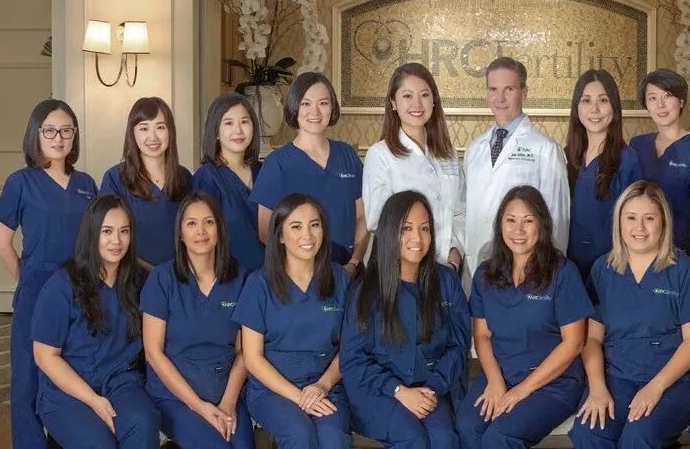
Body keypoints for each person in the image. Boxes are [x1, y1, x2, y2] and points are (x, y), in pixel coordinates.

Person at [568, 181, 690, 448]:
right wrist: (597, 388)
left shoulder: (683, 270)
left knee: (639, 435)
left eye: (649, 218)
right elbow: (592, 339)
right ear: (619, 221)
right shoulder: (603, 269)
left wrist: (656, 387)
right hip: (619, 375)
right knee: (589, 431)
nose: (640, 228)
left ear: (663, 222)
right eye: (631, 218)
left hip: (676, 379)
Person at [0, 99, 98, 447]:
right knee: (27, 381)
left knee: (73, 374)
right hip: (36, 292)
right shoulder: (20, 182)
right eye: (49, 130)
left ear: (74, 135)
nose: (58, 138)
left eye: (66, 130)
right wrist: (28, 280)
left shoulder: (86, 183)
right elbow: (2, 245)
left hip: (81, 293)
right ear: (35, 135)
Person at [456, 186, 593, 448]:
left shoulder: (563, 273)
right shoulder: (486, 274)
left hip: (553, 383)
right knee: (467, 427)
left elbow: (574, 343)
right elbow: (482, 335)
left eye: (528, 221)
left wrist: (522, 390)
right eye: (511, 220)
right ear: (500, 225)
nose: (518, 230)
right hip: (502, 372)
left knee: (500, 437)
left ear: (542, 225)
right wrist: (496, 382)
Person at [341, 191, 470, 448]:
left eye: (424, 228)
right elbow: (353, 360)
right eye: (406, 229)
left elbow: (459, 345)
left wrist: (432, 388)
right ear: (390, 232)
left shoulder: (447, 281)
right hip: (378, 392)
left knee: (444, 440)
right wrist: (398, 390)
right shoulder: (366, 290)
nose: (417, 238)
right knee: (412, 438)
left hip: (431, 388)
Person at [31, 194, 159, 448]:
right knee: (99, 443)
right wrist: (92, 400)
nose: (116, 241)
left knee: (143, 422)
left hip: (120, 381)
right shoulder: (61, 286)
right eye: (107, 231)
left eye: (124, 231)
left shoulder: (138, 282)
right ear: (91, 234)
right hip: (67, 391)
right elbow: (45, 357)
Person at [232, 194, 352, 448]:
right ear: (280, 236)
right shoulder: (259, 284)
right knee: (299, 435)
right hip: (272, 391)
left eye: (314, 225)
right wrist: (300, 397)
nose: (307, 235)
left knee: (334, 439)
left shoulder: (341, 280)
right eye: (296, 227)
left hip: (326, 385)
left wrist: (322, 385)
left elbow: (350, 347)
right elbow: (252, 358)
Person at [140, 192, 255, 448]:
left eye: (209, 222)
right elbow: (153, 353)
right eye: (191, 223)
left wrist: (228, 402)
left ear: (220, 229)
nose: (201, 231)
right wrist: (199, 406)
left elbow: (245, 351)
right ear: (180, 233)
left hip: (226, 392)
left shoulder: (241, 278)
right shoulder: (162, 279)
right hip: (175, 397)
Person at [463, 57, 570, 291]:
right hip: (474, 268)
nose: (499, 98)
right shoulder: (474, 149)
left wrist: (547, 278)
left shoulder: (546, 150)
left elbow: (558, 221)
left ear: (524, 92)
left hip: (527, 274)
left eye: (509, 89)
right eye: (493, 89)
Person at [251, 72, 368, 275]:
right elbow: (265, 231)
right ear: (294, 107)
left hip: (348, 272)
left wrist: (354, 263)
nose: (315, 111)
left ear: (332, 108)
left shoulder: (347, 155)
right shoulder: (277, 163)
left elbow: (362, 217)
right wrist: (302, 270)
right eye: (306, 103)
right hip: (299, 277)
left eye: (323, 103)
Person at [363, 63, 465, 270]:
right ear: (393, 102)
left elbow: (461, 212)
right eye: (407, 96)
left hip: (447, 268)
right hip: (403, 270)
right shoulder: (380, 154)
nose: (417, 104)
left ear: (434, 101)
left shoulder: (448, 154)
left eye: (425, 95)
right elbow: (377, 219)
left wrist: (454, 254)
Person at [628, 68, 690, 265]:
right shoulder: (637, 146)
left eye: (667, 96)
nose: (660, 105)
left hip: (680, 257)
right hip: (639, 253)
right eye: (652, 98)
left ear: (681, 101)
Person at [564, 69, 643, 279]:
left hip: (611, 270)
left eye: (603, 100)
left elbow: (635, 222)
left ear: (614, 107)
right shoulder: (564, 158)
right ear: (576, 108)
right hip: (567, 268)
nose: (595, 109)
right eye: (586, 100)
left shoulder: (628, 160)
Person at [101, 97, 192, 270]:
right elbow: (108, 236)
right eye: (144, 128)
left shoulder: (185, 178)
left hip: (179, 275)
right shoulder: (115, 178)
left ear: (170, 131)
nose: (153, 137)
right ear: (132, 133)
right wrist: (153, 272)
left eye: (160, 127)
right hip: (132, 276)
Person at [192, 92, 264, 271]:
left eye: (244, 122)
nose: (238, 130)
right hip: (227, 277)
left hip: (269, 277)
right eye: (228, 123)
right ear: (216, 131)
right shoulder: (206, 178)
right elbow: (202, 239)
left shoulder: (264, 171)